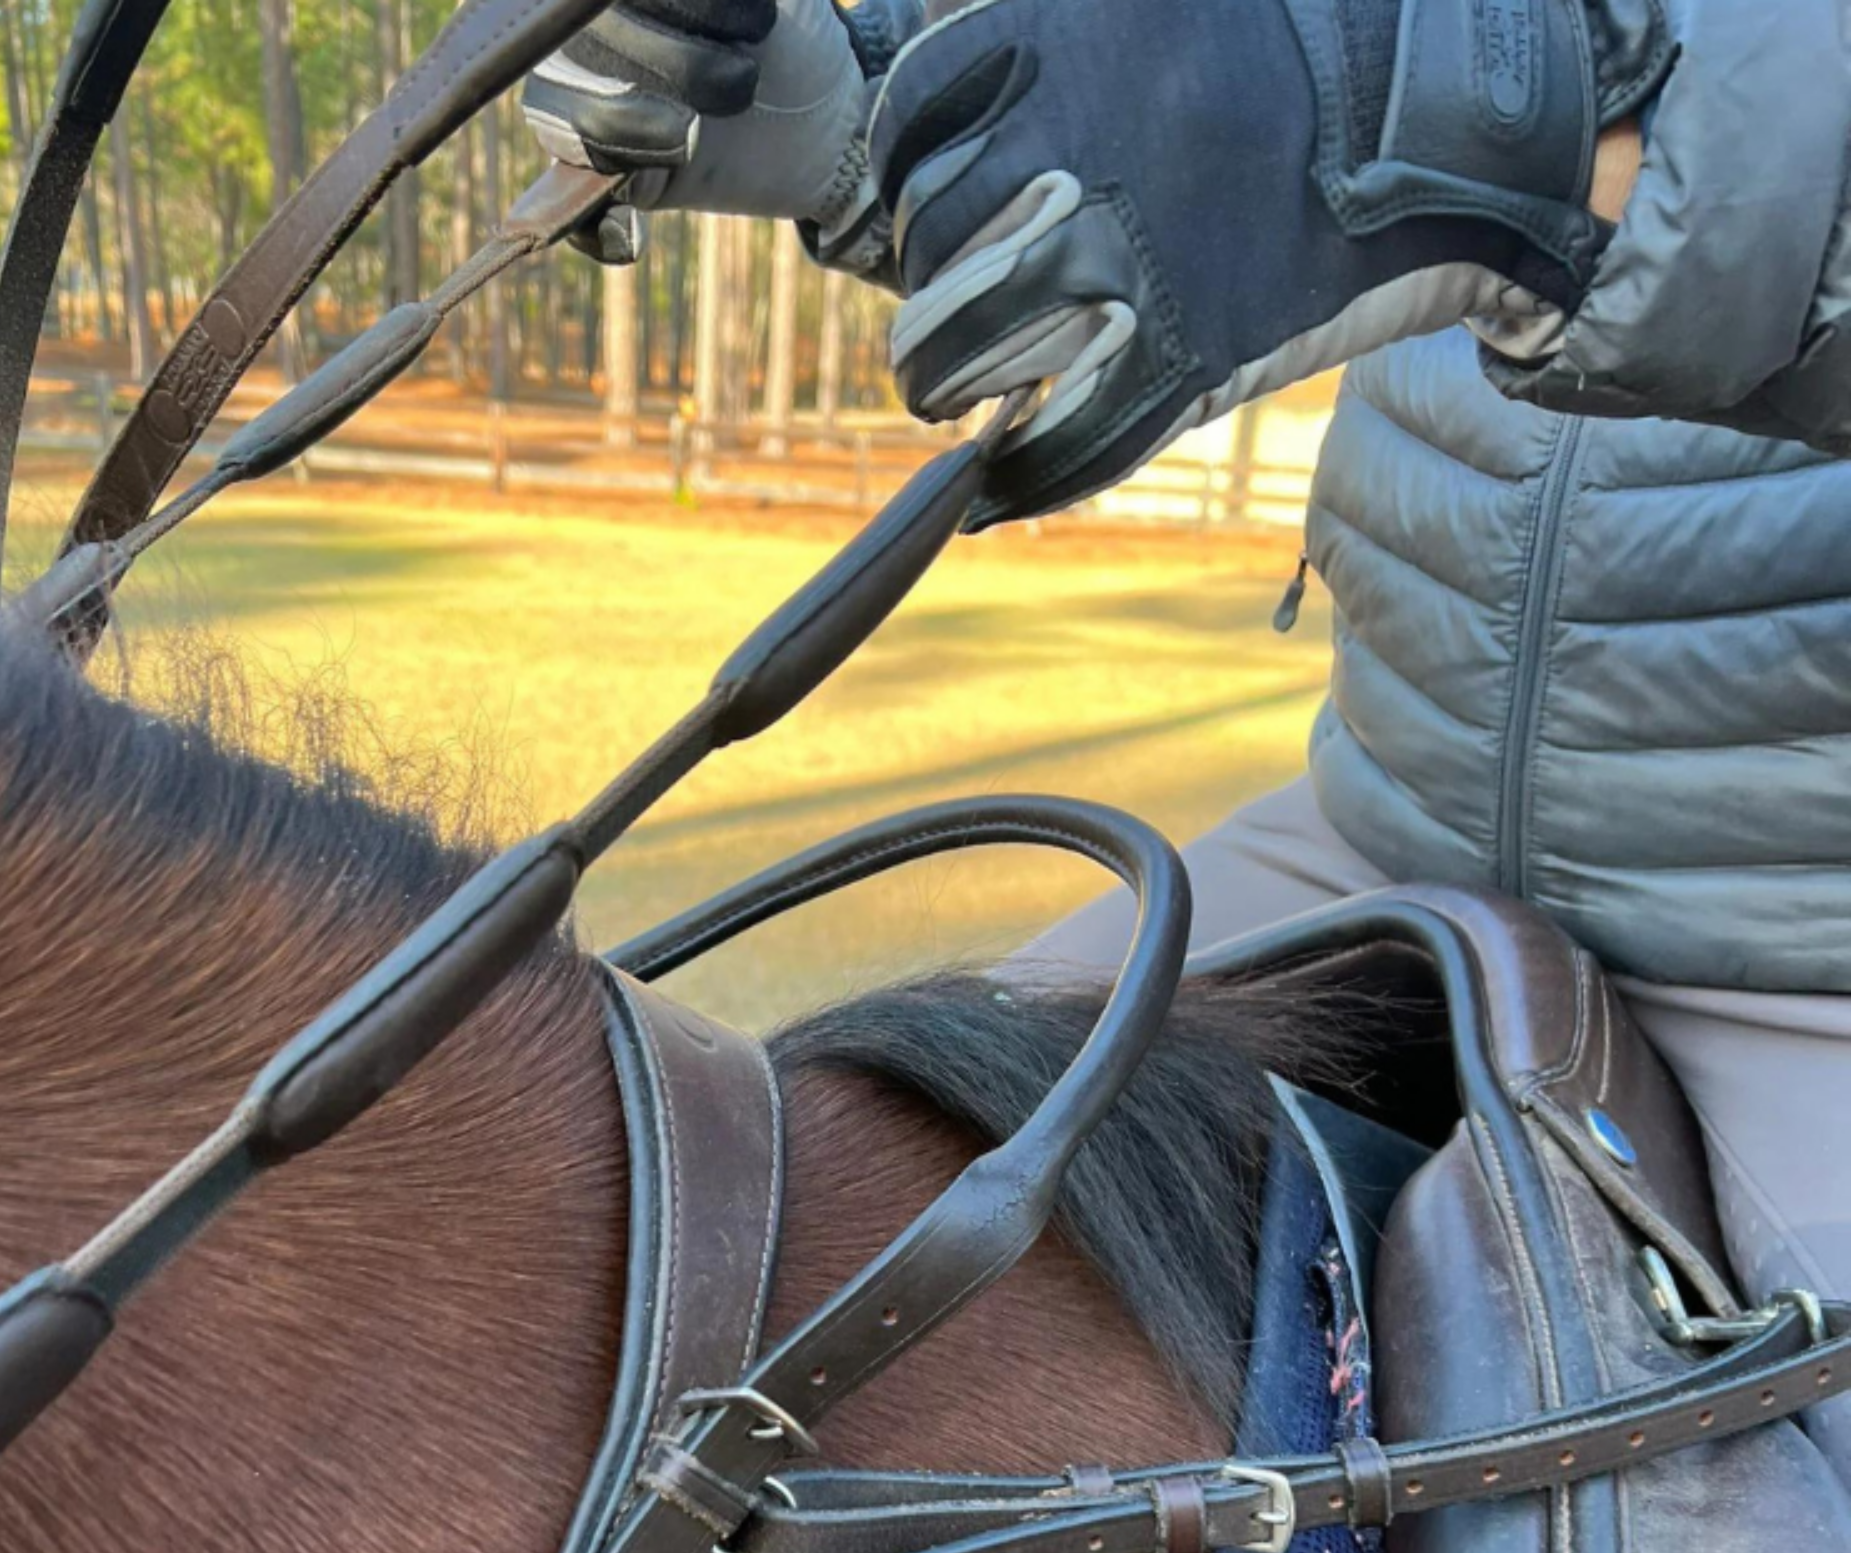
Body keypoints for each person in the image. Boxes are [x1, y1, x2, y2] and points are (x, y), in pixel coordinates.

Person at [523, 0, 1851, 1301]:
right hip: (1377, 832)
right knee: (825, 1239)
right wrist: (859, 101)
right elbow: (1189, 89)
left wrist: (1520, 111)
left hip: (1809, 945)